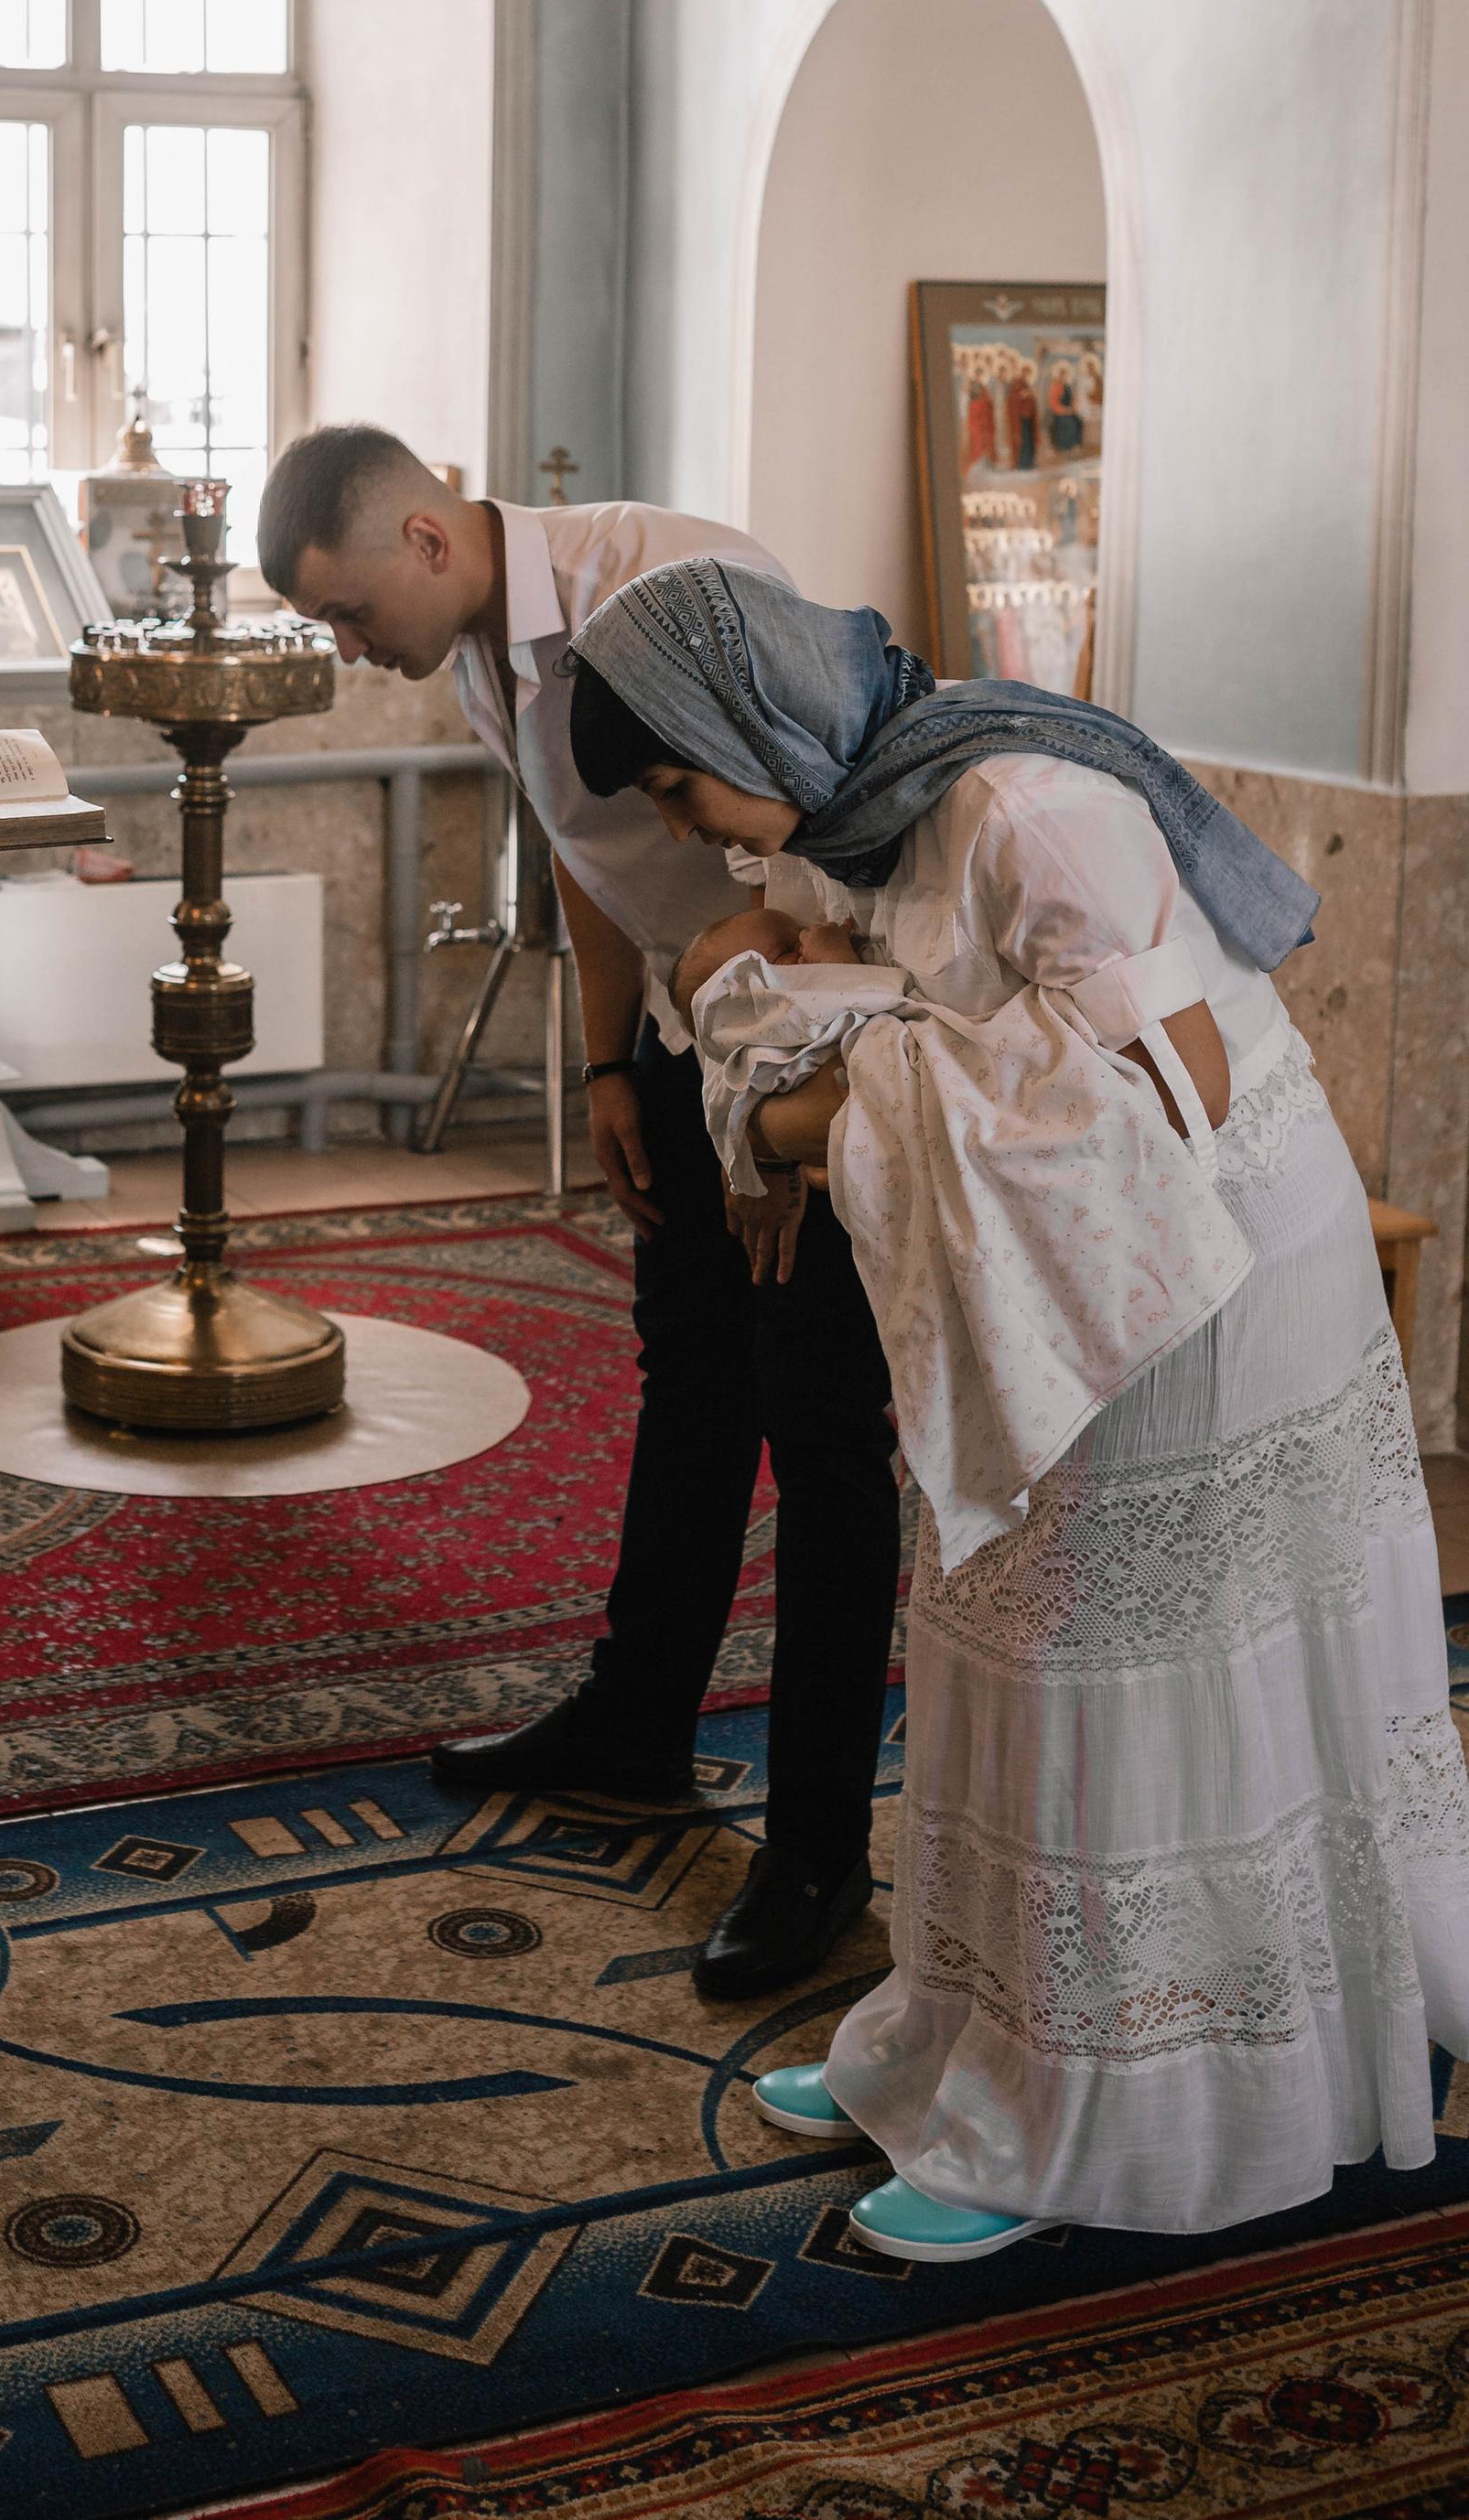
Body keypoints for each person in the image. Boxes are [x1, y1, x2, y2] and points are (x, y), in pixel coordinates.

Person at [567, 559, 1469, 2258]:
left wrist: (812, 1105)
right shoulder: (869, 806)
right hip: (1071, 1266)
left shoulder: (1025, 809)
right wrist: (813, 1026)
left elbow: (1172, 1088)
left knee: (1095, 1669)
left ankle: (1091, 2110)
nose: (691, 828)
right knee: (997, 1641)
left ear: (749, 718)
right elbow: (825, 974)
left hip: (1201, 1278)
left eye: (683, 782)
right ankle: (960, 2034)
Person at [257, 426, 903, 1998]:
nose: (348, 648)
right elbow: (589, 856)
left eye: (349, 613)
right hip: (689, 1036)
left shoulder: (679, 582)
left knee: (820, 1426)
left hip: (802, 1045)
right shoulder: (481, 650)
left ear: (425, 538)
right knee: (690, 1372)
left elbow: (813, 854)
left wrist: (775, 1127)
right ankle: (638, 1719)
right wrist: (612, 1062)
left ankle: (819, 1847)